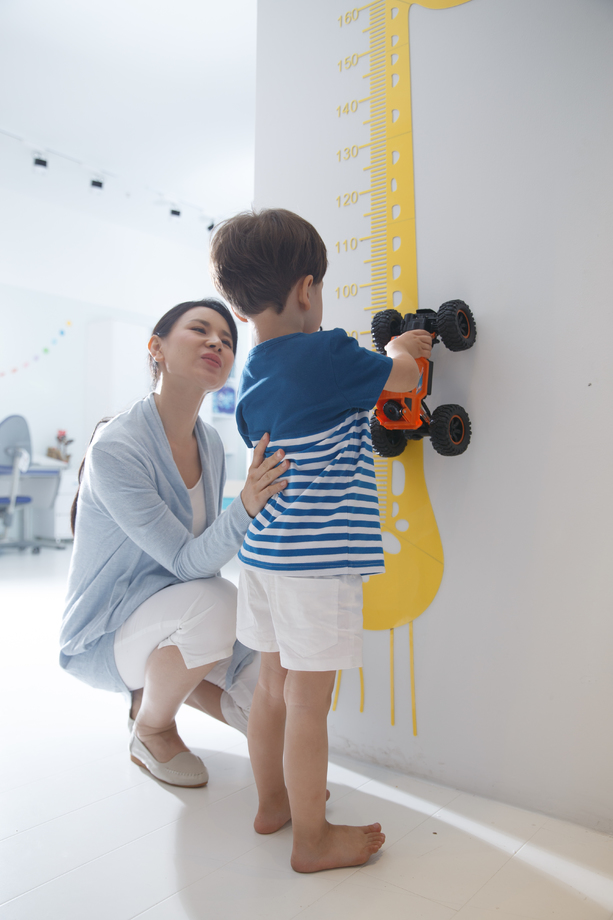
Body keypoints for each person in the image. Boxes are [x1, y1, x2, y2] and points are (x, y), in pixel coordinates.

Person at [209, 209, 433, 871]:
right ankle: (312, 838)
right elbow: (402, 381)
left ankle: (273, 804)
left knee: (273, 691)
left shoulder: (253, 373)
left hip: (266, 559)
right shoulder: (328, 353)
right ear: (306, 289)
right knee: (310, 703)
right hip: (318, 562)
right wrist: (402, 349)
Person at [60, 299, 289, 788]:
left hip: (174, 614)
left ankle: (158, 689)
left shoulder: (209, 443)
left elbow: (203, 554)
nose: (216, 343)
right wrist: (246, 507)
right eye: (201, 330)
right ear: (156, 348)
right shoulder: (118, 446)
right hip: (107, 632)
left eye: (227, 341)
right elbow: (190, 563)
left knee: (273, 708)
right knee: (219, 604)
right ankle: (152, 727)